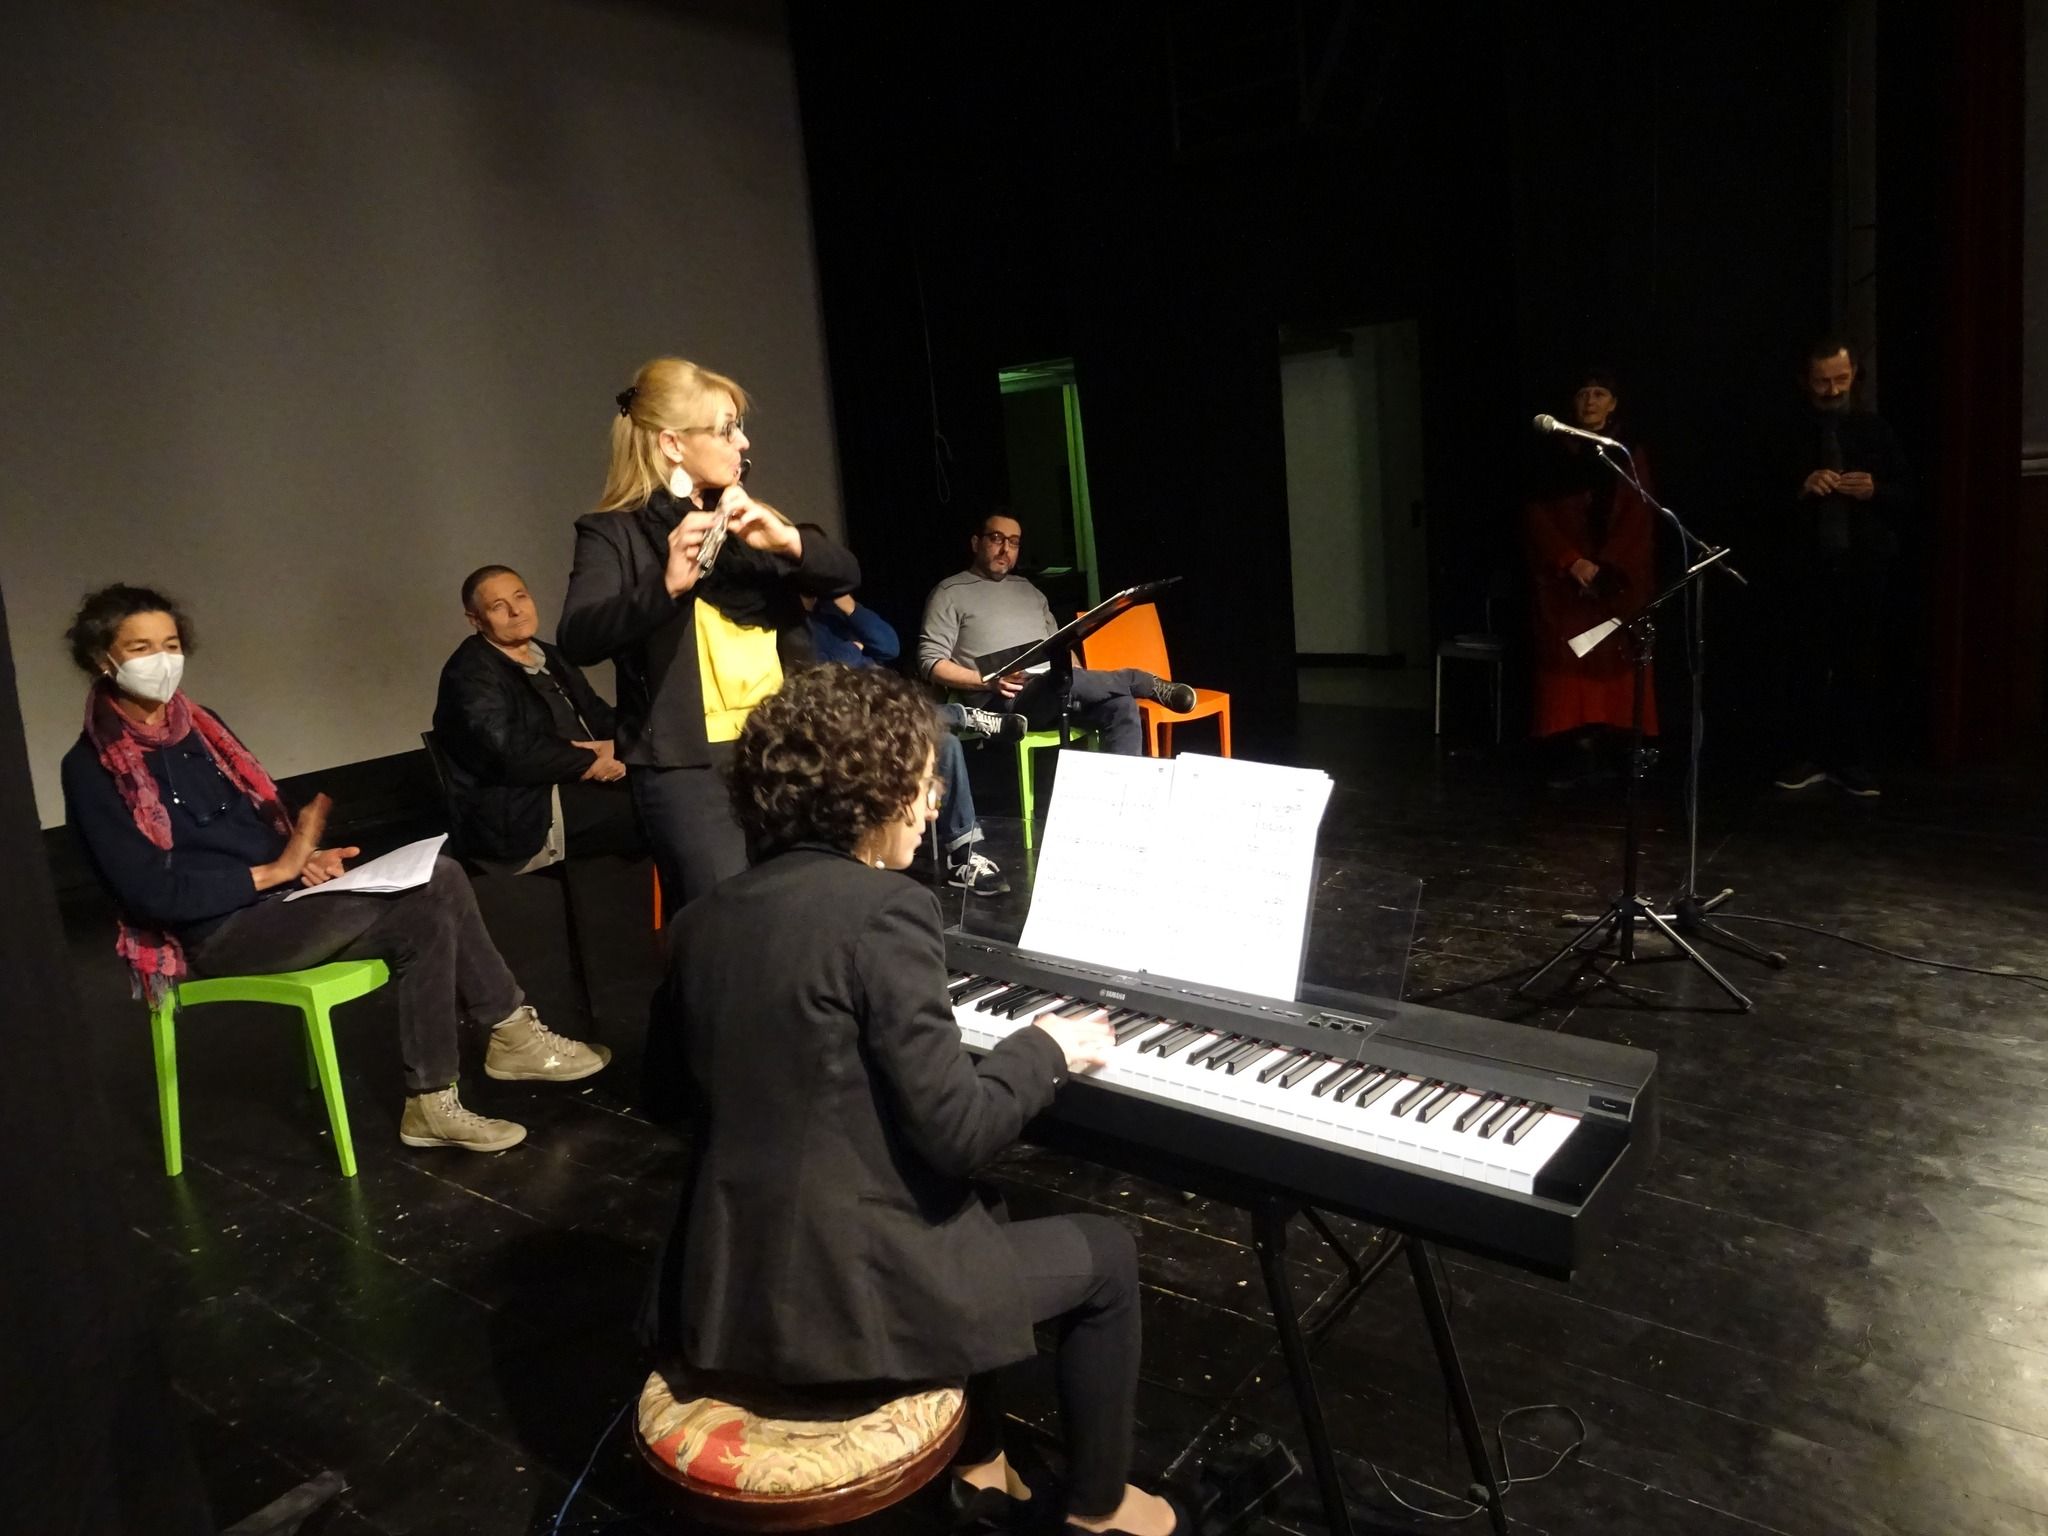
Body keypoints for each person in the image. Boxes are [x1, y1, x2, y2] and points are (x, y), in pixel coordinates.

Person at [643, 663, 1184, 1536]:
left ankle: (981, 1464)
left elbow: (666, 1096)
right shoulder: (886, 910)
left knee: (980, 1211)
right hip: (840, 1310)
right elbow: (961, 1131)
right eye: (923, 780)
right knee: (1106, 1257)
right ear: (872, 788)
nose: (933, 802)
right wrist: (1044, 1047)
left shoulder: (703, 920)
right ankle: (1099, 1509)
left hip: (719, 1295)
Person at [59, 584, 609, 1154]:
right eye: (142, 648)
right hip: (218, 933)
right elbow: (149, 893)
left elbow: (248, 828)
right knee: (441, 880)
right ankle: (509, 1030)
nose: (162, 661)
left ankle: (432, 1103)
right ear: (105, 659)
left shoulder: (202, 728)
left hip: (278, 903)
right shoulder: (92, 767)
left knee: (427, 911)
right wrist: (272, 874)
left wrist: (304, 859)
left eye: (170, 644)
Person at [557, 358, 859, 907]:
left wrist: (789, 541)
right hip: (692, 772)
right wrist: (666, 586)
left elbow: (844, 573)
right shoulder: (615, 533)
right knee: (727, 927)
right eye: (726, 429)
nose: (742, 442)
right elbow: (579, 636)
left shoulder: (746, 520)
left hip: (784, 749)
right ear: (673, 443)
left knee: (802, 913)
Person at [803, 574, 1017, 896]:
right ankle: (962, 716)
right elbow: (820, 668)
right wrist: (853, 649)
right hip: (845, 718)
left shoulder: (836, 614)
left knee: (946, 743)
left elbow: (889, 645)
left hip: (884, 708)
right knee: (927, 721)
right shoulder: (794, 624)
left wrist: (848, 606)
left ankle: (963, 859)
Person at [918, 512, 1195, 755]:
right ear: (976, 543)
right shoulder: (949, 593)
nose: (1005, 549)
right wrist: (986, 681)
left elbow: (1060, 644)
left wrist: (1083, 679)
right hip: (1006, 702)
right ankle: (1142, 681)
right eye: (996, 538)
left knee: (1121, 707)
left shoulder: (1028, 590)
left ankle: (1121, 801)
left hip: (1056, 688)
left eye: (1013, 542)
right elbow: (930, 664)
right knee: (1063, 680)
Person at [432, 564, 645, 873]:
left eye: (521, 597)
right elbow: (507, 752)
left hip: (576, 782)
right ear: (476, 620)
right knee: (649, 810)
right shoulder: (470, 674)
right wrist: (590, 762)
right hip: (523, 808)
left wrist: (630, 746)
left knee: (668, 789)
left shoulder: (550, 656)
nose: (516, 611)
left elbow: (597, 715)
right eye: (498, 606)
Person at [1768, 337, 1911, 798]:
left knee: (1859, 665)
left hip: (1863, 565)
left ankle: (1852, 761)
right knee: (1803, 664)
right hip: (1805, 566)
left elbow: (1910, 495)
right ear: (1805, 381)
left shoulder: (1874, 429)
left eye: (1840, 379)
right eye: (1822, 381)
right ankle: (1805, 756)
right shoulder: (1787, 431)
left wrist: (1875, 490)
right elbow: (1753, 499)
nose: (1831, 390)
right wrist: (1802, 484)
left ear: (1854, 378)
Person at [1523, 369, 1660, 787]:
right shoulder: (1550, 452)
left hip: (1615, 581)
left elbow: (1639, 516)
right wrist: (1572, 562)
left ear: (1613, 403)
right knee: (1567, 664)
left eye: (1599, 394)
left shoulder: (1625, 452)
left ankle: (1615, 751)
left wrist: (1609, 566)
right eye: (1584, 394)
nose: (1590, 402)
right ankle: (1572, 755)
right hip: (1564, 583)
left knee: (1617, 658)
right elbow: (1537, 516)